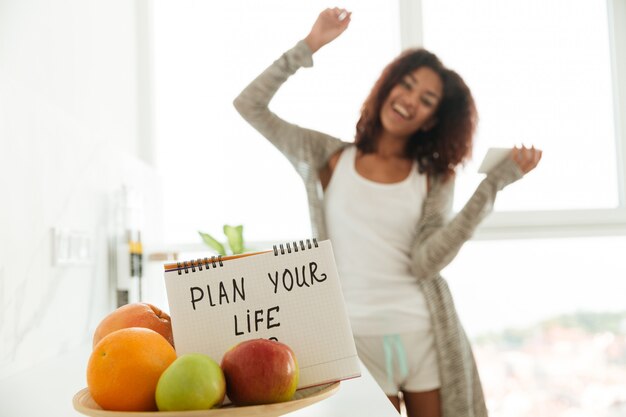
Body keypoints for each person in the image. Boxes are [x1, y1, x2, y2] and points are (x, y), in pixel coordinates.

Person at [233, 7, 542, 417]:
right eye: (407, 85)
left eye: (426, 99)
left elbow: (425, 262)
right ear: (389, 87)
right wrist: (309, 45)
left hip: (423, 333)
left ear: (433, 119)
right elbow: (249, 104)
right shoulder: (326, 156)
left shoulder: (434, 178)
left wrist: (492, 186)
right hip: (354, 338)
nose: (410, 100)